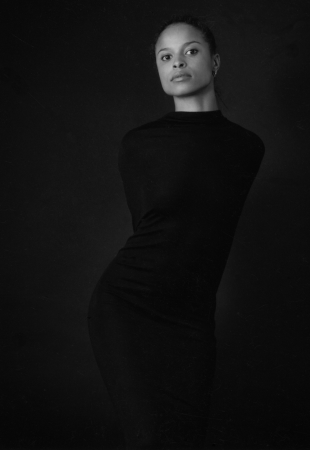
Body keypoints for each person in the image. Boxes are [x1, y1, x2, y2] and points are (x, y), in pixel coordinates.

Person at [88, 14, 265, 449]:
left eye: (191, 51)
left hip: (193, 318)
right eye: (165, 57)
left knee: (187, 437)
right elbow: (148, 229)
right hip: (130, 306)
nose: (178, 63)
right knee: (150, 437)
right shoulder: (139, 144)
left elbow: (207, 235)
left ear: (215, 62)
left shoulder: (248, 147)